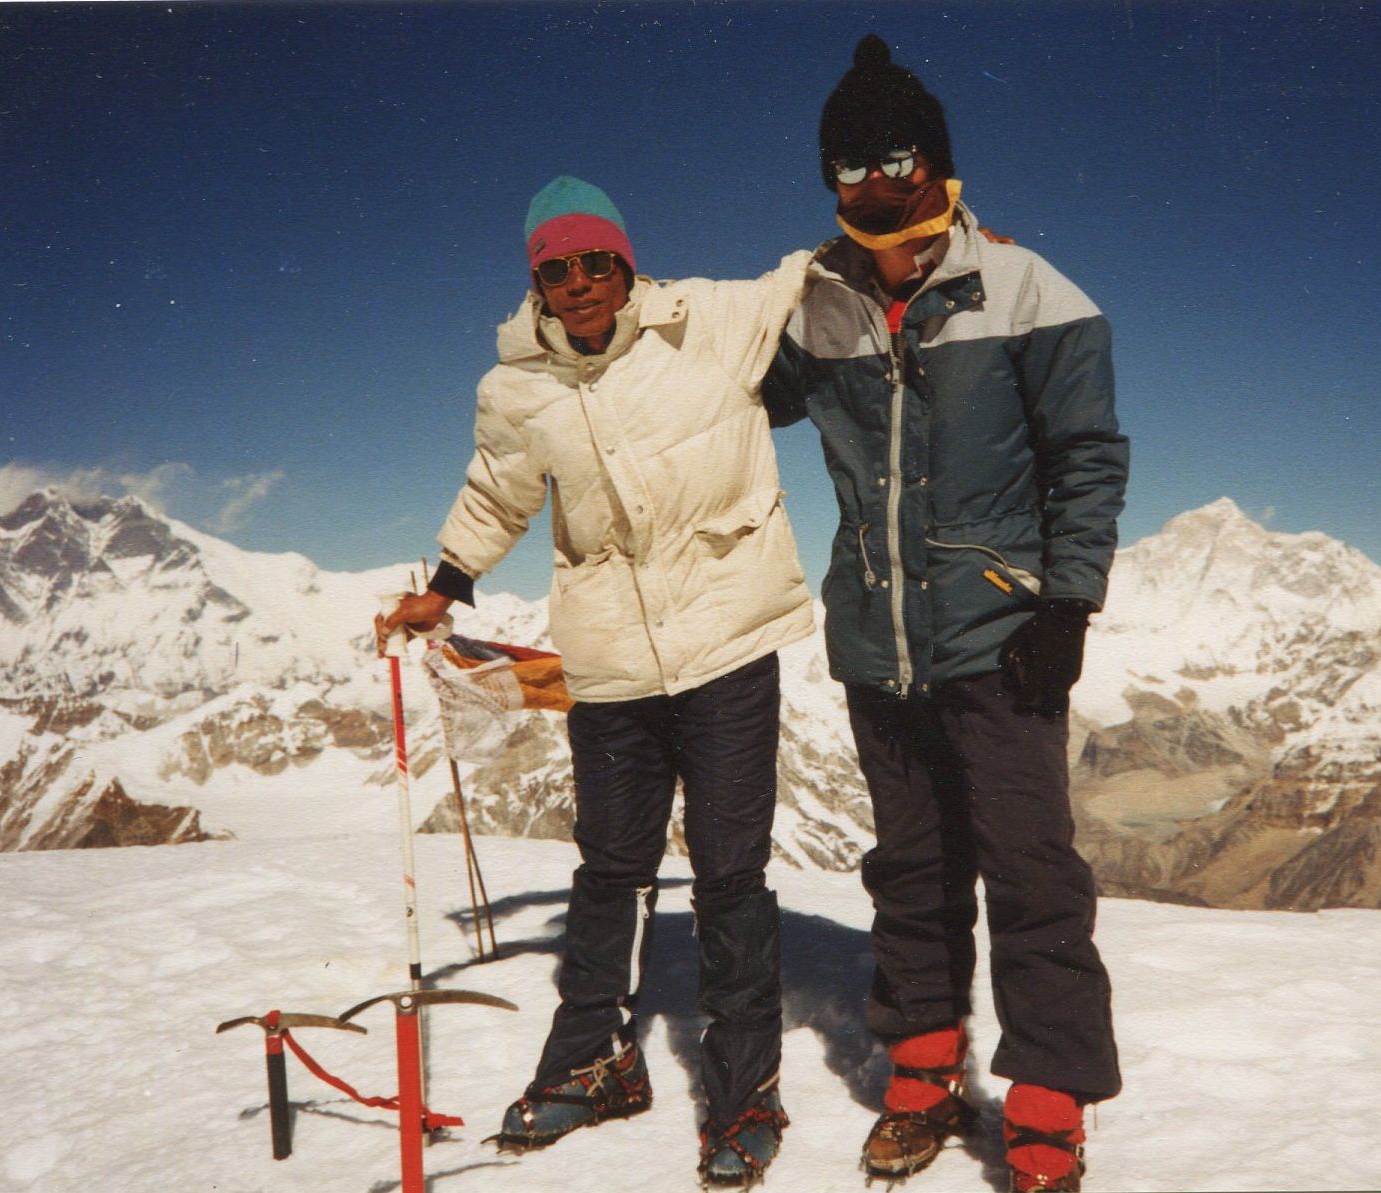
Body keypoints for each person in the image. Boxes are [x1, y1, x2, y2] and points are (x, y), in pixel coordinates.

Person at [376, 175, 812, 1186]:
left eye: (594, 263)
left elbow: (808, 275)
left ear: (625, 262)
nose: (578, 284)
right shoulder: (516, 387)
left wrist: (947, 243)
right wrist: (446, 585)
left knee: (728, 873)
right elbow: (499, 489)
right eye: (555, 269)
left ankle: (745, 1089)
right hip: (612, 660)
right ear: (534, 279)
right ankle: (593, 1062)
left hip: (725, 642)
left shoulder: (703, 320)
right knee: (610, 865)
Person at [761, 36, 1129, 1193]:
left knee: (1031, 873)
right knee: (909, 867)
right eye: (851, 169)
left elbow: (1085, 458)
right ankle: (920, 1067)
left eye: (898, 162)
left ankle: (1048, 1100)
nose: (879, 189)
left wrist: (1066, 601)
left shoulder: (1032, 292)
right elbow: (715, 385)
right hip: (878, 641)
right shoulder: (811, 306)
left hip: (998, 640)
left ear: (943, 168)